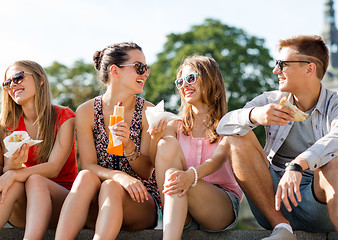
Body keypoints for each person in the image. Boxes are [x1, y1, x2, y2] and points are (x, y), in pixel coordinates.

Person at [217, 35, 338, 240]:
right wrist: (254, 114)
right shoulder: (270, 100)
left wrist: (298, 164)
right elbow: (223, 126)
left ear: (309, 69)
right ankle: (282, 228)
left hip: (319, 205)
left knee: (332, 163)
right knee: (236, 136)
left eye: (282, 64)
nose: (276, 70)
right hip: (273, 202)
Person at [55, 42, 160, 240]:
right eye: (139, 67)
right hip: (97, 203)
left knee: (110, 187)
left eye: (146, 68)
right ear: (115, 71)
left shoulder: (148, 111)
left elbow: (146, 171)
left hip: (139, 201)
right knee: (86, 177)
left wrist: (129, 145)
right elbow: (88, 165)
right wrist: (118, 176)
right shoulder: (86, 111)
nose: (145, 74)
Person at [152, 55, 243, 240]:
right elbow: (163, 158)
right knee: (165, 146)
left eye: (191, 78)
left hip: (219, 207)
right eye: (180, 81)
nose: (184, 85)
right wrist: (155, 139)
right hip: (180, 205)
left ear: (210, 80)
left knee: (179, 179)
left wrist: (189, 176)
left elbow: (217, 161)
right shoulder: (174, 125)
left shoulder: (229, 123)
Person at [0, 60, 78, 239]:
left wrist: (13, 174)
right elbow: (8, 173)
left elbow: (53, 168)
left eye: (18, 78)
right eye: (7, 83)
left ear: (40, 79)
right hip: (24, 207)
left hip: (63, 204)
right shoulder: (8, 126)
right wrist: (12, 167)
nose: (13, 85)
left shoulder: (64, 117)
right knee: (14, 184)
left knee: (35, 179)